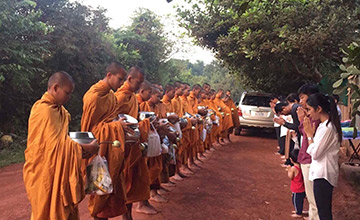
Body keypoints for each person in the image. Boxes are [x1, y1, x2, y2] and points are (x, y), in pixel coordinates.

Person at [23, 71, 99, 220]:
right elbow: (53, 146)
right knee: (46, 212)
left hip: (58, 170)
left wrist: (79, 146)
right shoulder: (43, 110)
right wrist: (84, 148)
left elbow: (62, 140)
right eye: (67, 93)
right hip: (43, 171)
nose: (68, 98)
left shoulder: (60, 111)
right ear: (55, 88)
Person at [81, 62, 130, 220]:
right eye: (120, 79)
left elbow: (109, 120)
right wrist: (116, 126)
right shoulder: (94, 96)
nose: (122, 83)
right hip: (99, 149)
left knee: (111, 190)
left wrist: (119, 124)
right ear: (109, 75)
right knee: (100, 190)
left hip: (111, 148)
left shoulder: (110, 95)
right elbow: (90, 131)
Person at [115, 67, 152, 219]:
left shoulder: (131, 97)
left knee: (133, 180)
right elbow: (113, 121)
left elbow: (134, 118)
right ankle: (125, 215)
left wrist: (143, 124)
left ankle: (129, 215)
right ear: (130, 79)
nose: (139, 86)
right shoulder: (119, 97)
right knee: (124, 181)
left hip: (133, 144)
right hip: (122, 146)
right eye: (139, 82)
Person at [303, 93, 342, 220]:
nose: (308, 113)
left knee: (324, 212)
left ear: (318, 109)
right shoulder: (323, 126)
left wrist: (309, 135)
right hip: (320, 173)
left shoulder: (328, 129)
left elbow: (315, 153)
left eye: (309, 109)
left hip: (323, 174)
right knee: (323, 210)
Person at [296, 83, 320, 220]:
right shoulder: (310, 115)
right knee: (311, 199)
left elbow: (309, 135)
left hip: (311, 159)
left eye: (302, 97)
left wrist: (302, 120)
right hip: (306, 157)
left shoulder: (315, 118)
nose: (301, 101)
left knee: (314, 199)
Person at [287, 149, 306, 218]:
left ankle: (298, 212)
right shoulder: (301, 166)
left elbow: (290, 176)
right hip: (302, 187)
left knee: (296, 200)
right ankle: (299, 210)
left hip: (297, 188)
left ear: (291, 159)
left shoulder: (294, 168)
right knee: (300, 200)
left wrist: (289, 170)